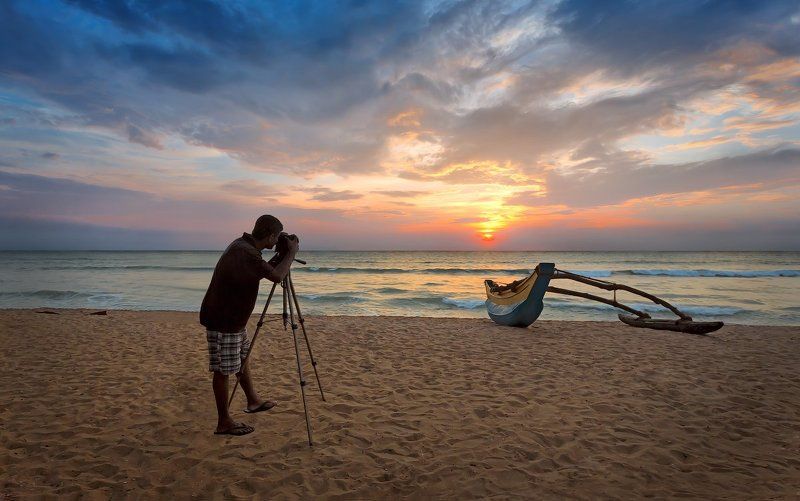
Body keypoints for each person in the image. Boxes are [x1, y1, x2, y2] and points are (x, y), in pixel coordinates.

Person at [200, 214, 299, 436]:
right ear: (270, 235)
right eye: (277, 237)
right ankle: (223, 422)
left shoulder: (245, 247)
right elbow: (275, 276)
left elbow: (263, 270)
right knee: (223, 370)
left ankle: (253, 401)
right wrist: (291, 253)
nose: (277, 242)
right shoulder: (244, 252)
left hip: (234, 319)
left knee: (243, 358)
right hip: (224, 320)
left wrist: (282, 256)